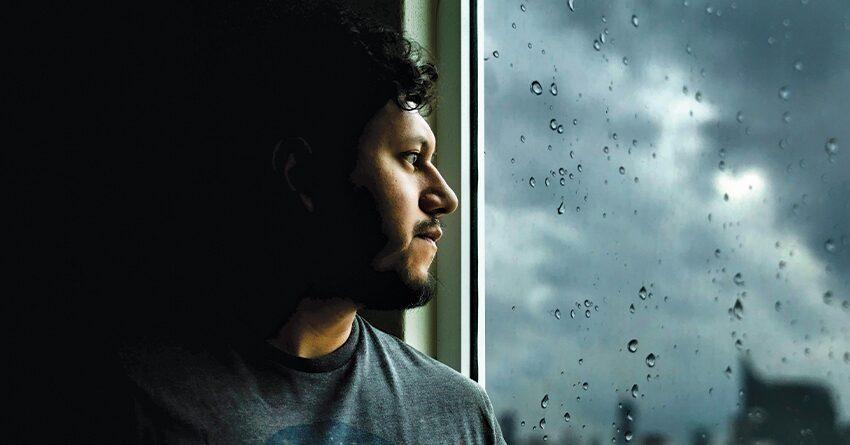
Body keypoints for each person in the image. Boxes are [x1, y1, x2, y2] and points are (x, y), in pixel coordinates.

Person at [108, 1, 507, 443]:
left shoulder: (458, 414)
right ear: (303, 176)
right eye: (412, 158)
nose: (446, 198)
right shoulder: (127, 397)